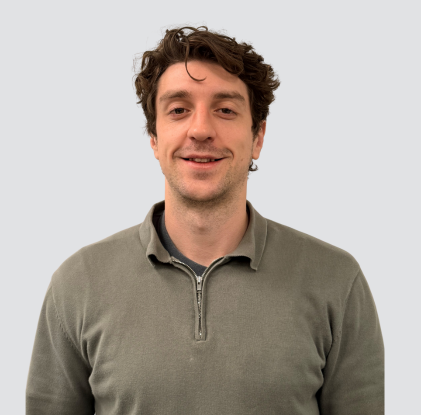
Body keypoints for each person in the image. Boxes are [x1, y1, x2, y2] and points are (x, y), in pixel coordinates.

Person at [26, 26, 384, 415]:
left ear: (258, 136)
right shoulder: (78, 284)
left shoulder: (336, 281)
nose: (200, 130)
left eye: (225, 110)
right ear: (154, 138)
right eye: (178, 110)